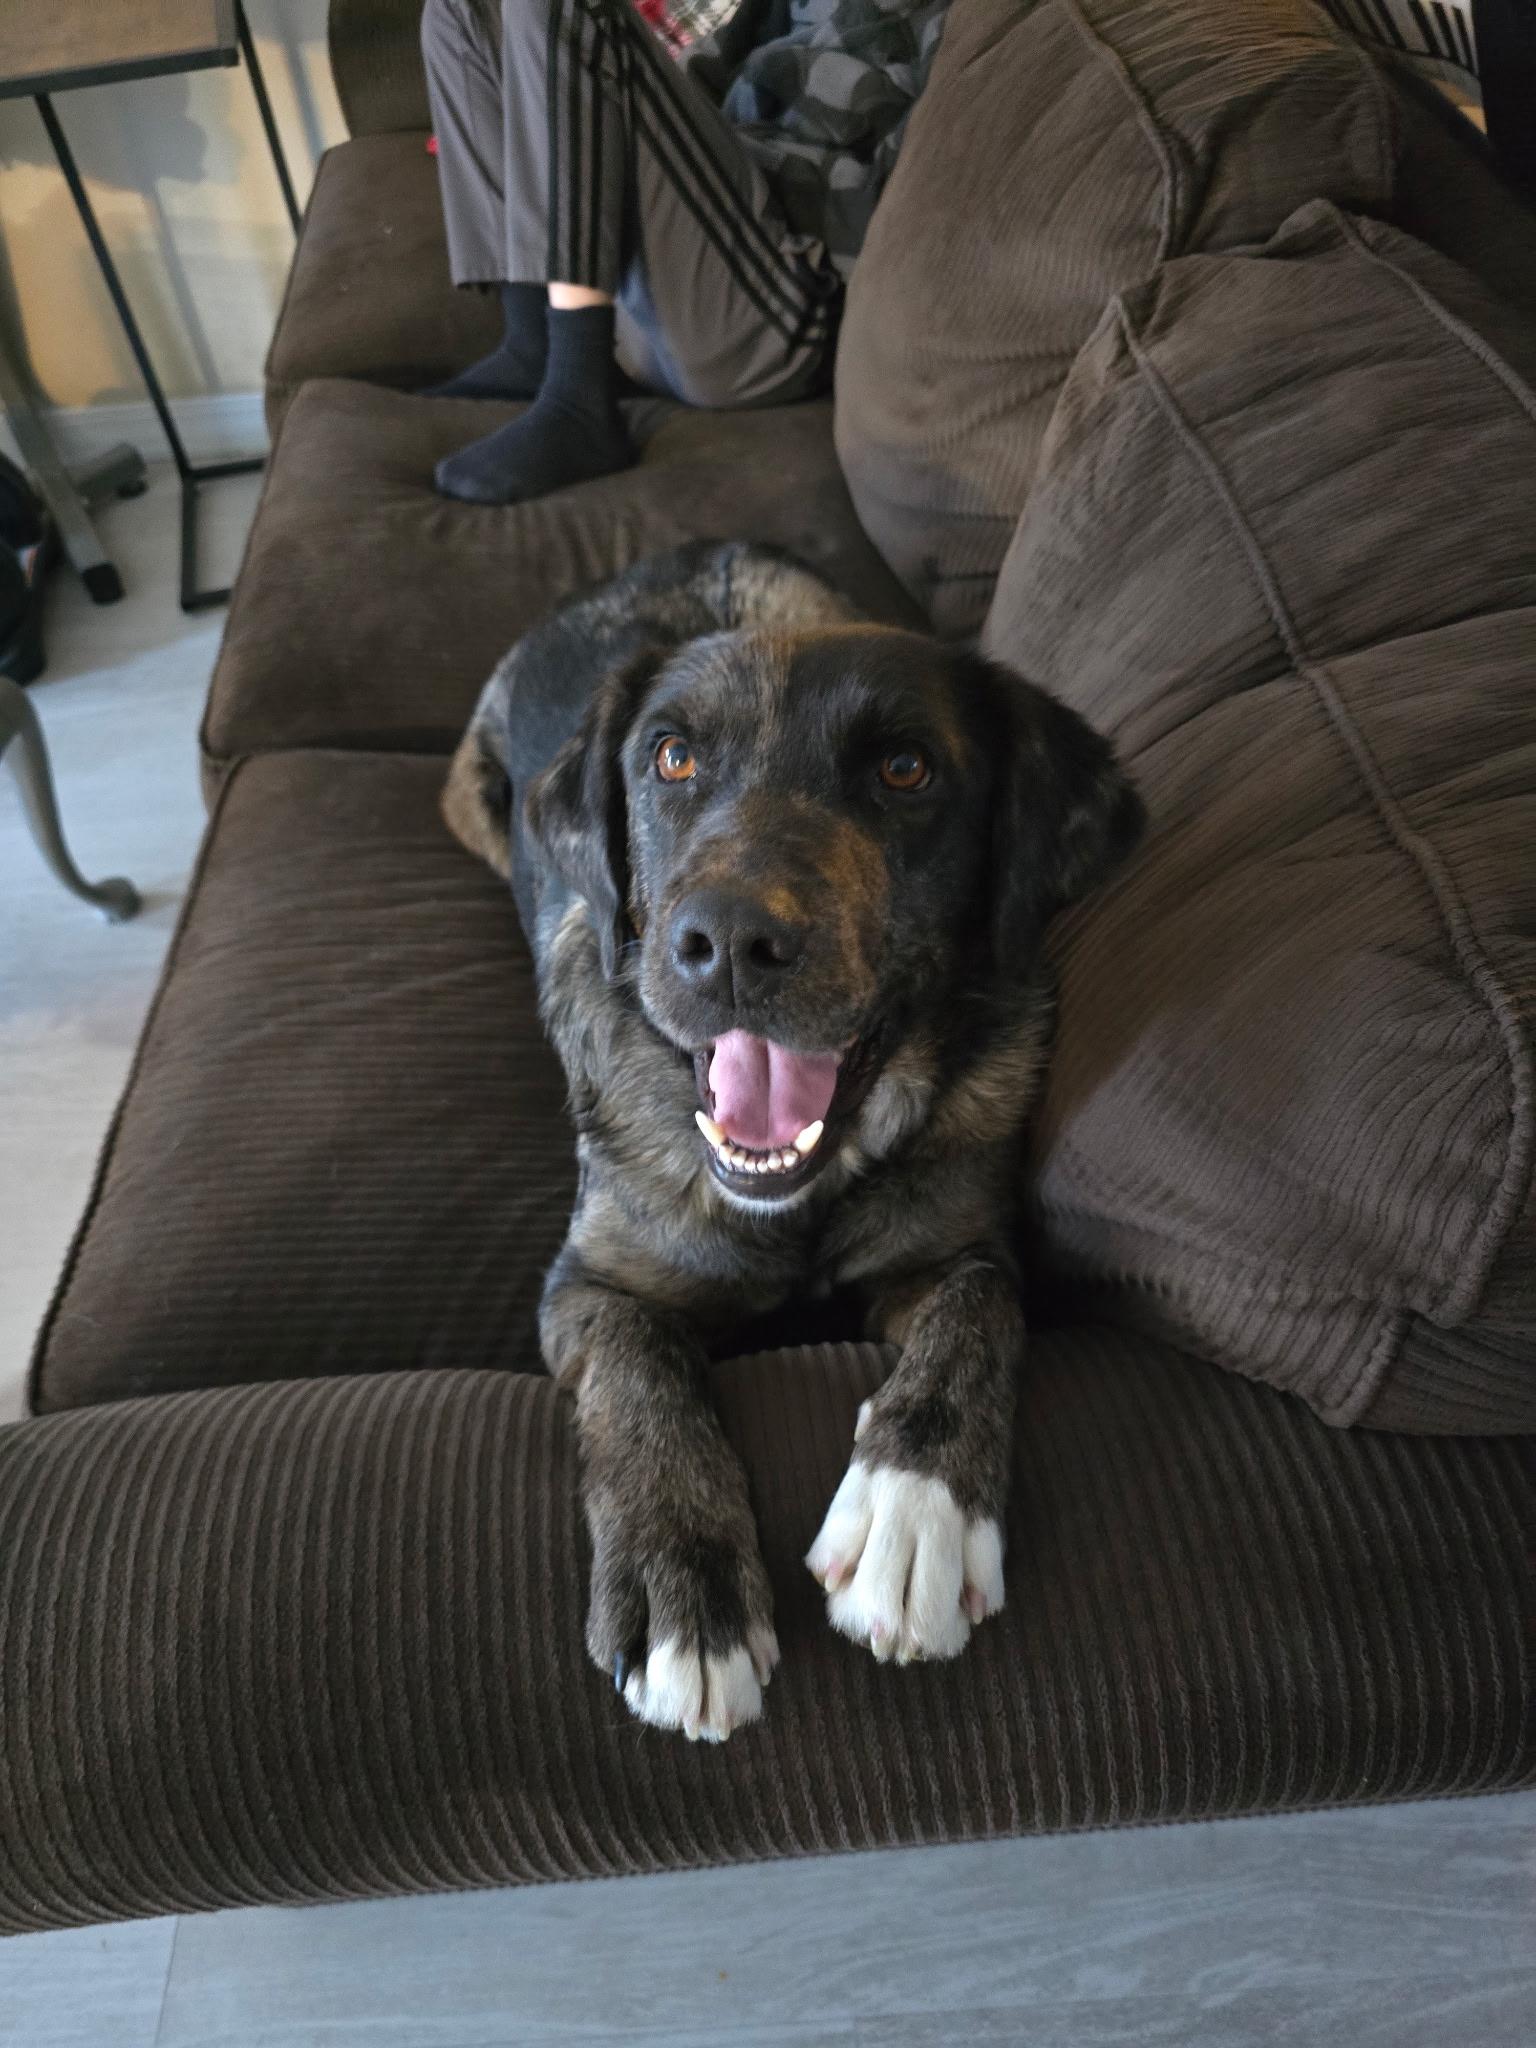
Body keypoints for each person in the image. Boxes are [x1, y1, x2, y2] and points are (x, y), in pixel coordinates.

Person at [420, 0, 950, 504]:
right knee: (460, 8)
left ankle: (577, 398)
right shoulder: (778, 10)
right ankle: (534, 343)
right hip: (691, 266)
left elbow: (913, 183)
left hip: (777, 303)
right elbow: (698, 84)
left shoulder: (939, 21)